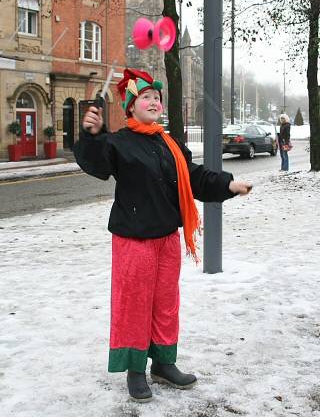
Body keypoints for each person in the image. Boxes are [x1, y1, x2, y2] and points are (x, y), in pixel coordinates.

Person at [73, 68, 252, 403]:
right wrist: (93, 136)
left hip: (167, 238)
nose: (154, 101)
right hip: (133, 241)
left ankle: (164, 363)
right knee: (134, 306)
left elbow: (194, 177)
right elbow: (96, 165)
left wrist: (228, 184)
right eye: (146, 97)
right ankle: (135, 371)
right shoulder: (119, 142)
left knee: (166, 305)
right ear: (131, 106)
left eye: (156, 97)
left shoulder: (168, 142)